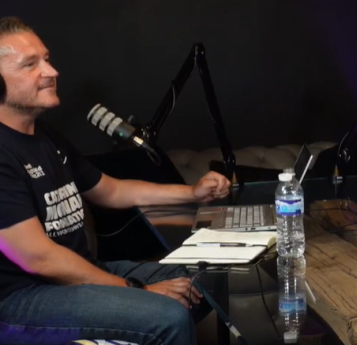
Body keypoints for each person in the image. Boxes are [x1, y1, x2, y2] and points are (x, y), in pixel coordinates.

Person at [0, 17, 231, 345]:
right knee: (167, 316)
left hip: (75, 277)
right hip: (22, 300)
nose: (51, 72)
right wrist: (140, 292)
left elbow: (113, 190)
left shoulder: (46, 135)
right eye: (30, 64)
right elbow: (38, 257)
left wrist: (192, 192)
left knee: (208, 278)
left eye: (47, 59)